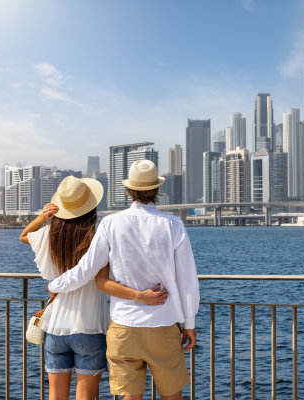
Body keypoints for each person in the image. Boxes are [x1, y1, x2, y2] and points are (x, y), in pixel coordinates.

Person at [48, 160, 199, 400]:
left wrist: (55, 285)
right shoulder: (173, 225)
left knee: (130, 396)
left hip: (124, 328)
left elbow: (86, 269)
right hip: (163, 324)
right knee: (172, 395)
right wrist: (189, 323)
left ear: (129, 190)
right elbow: (188, 282)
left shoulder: (110, 223)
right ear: (157, 190)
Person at [20, 176, 167, 400]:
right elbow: (104, 278)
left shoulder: (51, 235)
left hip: (55, 327)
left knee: (55, 395)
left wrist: (43, 216)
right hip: (89, 327)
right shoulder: (97, 235)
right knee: (86, 395)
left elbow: (23, 236)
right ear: (90, 206)